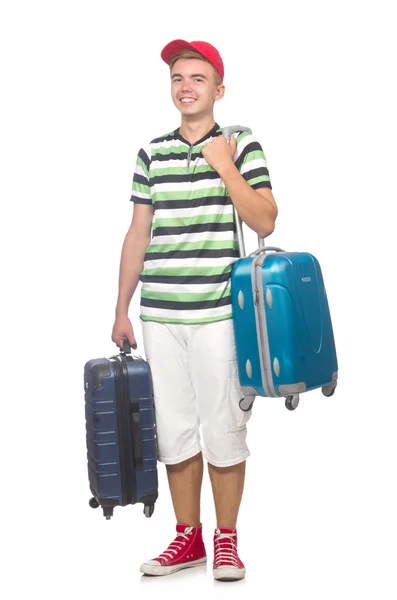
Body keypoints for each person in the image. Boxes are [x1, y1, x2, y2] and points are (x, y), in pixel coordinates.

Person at [111, 39, 278, 581]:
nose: (186, 86)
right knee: (175, 432)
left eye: (198, 78)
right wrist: (122, 309)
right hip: (161, 314)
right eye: (178, 78)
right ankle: (188, 539)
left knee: (224, 429)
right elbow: (138, 234)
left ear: (218, 89)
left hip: (218, 313)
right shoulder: (151, 152)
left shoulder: (241, 143)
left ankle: (227, 540)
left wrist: (224, 166)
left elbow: (266, 221)